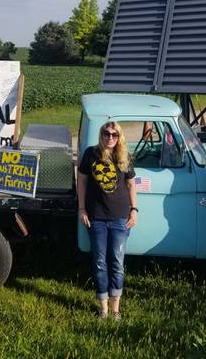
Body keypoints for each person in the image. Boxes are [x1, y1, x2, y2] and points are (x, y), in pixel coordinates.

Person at [77, 121, 138, 320]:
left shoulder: (125, 156)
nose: (110, 138)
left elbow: (131, 185)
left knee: (117, 262)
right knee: (99, 262)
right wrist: (82, 208)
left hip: (120, 217)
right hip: (96, 217)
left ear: (119, 137)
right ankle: (103, 309)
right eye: (106, 134)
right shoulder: (91, 154)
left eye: (114, 134)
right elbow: (82, 180)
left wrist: (134, 210)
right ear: (101, 135)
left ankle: (116, 309)